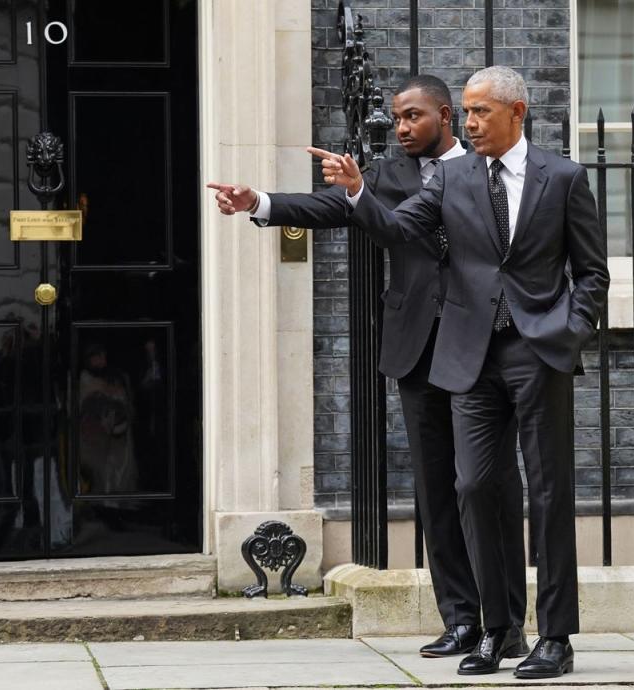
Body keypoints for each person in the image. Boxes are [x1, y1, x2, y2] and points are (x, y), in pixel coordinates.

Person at [207, 75, 528, 660]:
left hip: (480, 347)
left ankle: (506, 623)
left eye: (412, 117)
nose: (401, 128)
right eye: (396, 118)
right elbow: (332, 206)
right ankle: (460, 619)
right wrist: (260, 203)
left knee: (486, 485)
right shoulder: (384, 176)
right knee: (435, 491)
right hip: (416, 349)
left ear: (447, 116)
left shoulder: (486, 167)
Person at [313, 65, 609, 679]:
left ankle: (556, 636)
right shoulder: (451, 176)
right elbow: (397, 229)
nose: (469, 123)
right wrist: (357, 192)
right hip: (469, 354)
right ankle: (498, 628)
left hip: (539, 350)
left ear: (517, 112)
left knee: (550, 493)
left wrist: (570, 329)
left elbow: (591, 272)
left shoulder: (564, 176)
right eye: (466, 112)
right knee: (473, 485)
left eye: (480, 112)